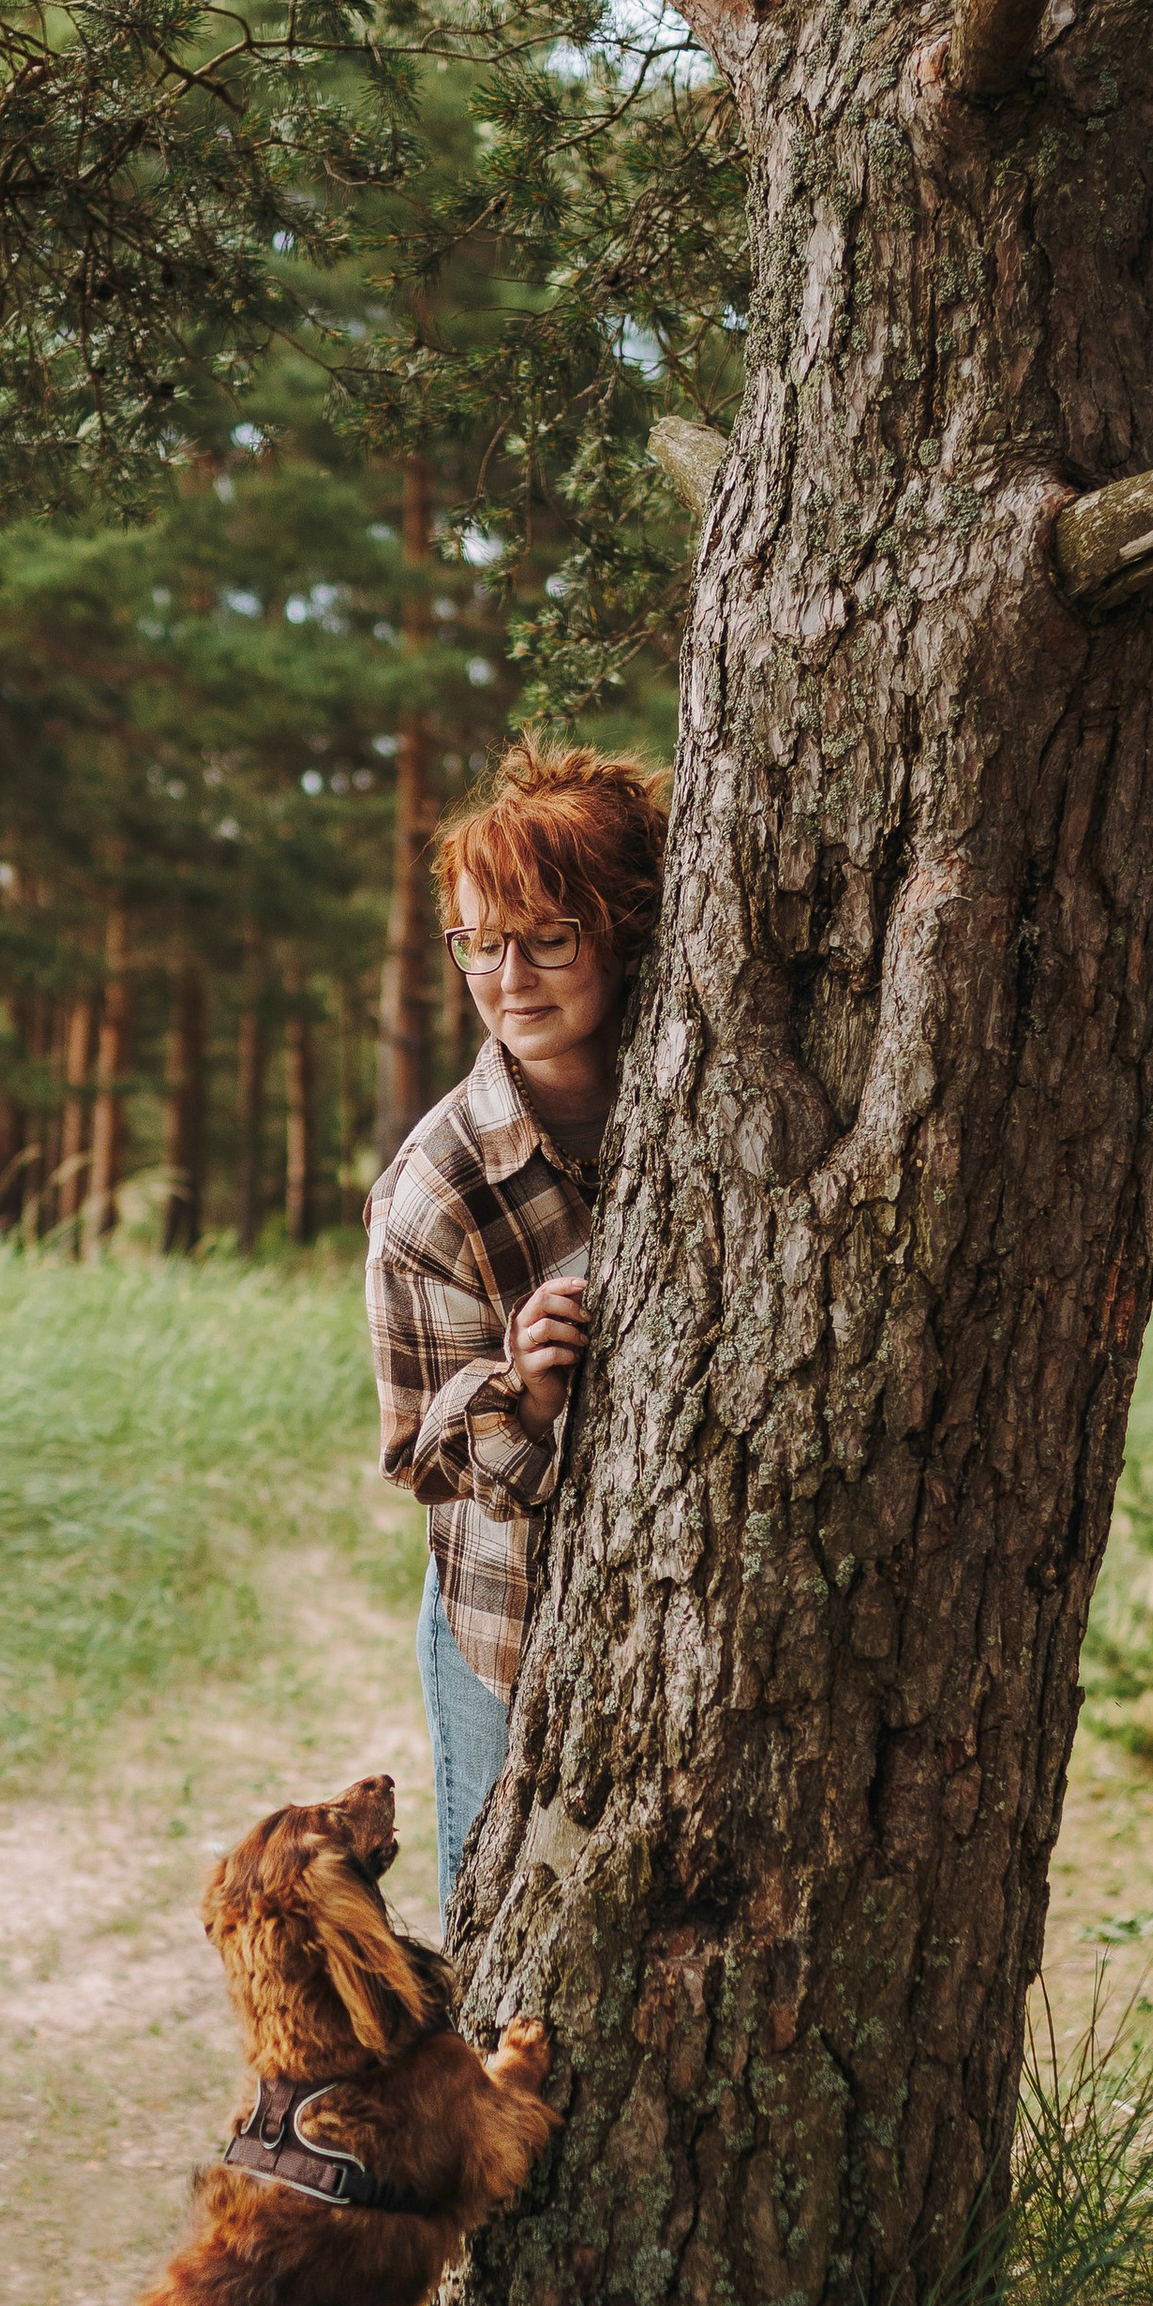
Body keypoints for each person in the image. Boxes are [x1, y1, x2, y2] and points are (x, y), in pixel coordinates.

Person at [363, 735, 671, 1907]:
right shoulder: (435, 1189)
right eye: (479, 943)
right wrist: (522, 1394)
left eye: (548, 938)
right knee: (501, 1925)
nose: (509, 978)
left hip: (677, 1606)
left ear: (625, 932)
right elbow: (417, 1453)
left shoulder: (701, 1087)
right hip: (509, 1622)